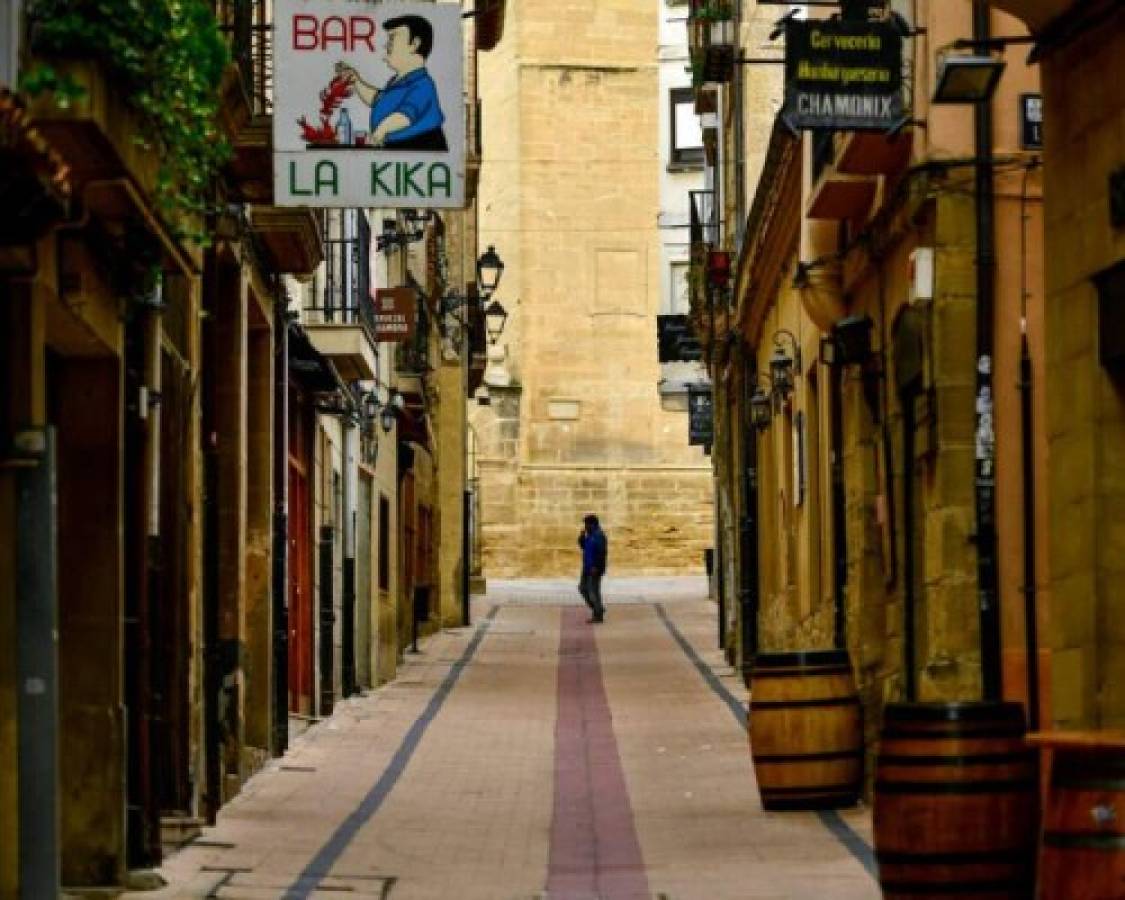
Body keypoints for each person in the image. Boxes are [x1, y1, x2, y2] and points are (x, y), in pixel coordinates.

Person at [336, 14, 448, 151]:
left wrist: (380, 132)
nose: (386, 45)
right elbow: (377, 99)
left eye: (392, 38)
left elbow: (405, 116)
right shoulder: (397, 82)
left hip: (419, 145)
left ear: (414, 44)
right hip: (397, 148)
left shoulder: (423, 84)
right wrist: (356, 80)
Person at [577, 514, 608, 624]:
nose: (585, 526)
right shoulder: (589, 535)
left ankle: (598, 614)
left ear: (592, 524)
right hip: (587, 567)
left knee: (593, 591)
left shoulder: (599, 536)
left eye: (586, 524)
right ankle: (598, 608)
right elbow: (584, 547)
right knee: (582, 588)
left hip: (594, 568)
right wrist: (581, 538)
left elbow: (601, 553)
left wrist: (596, 567)